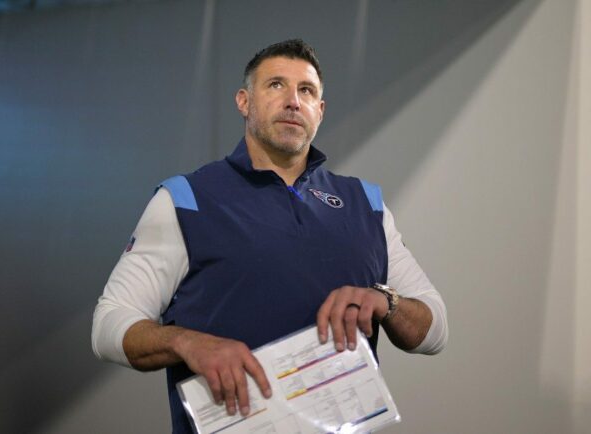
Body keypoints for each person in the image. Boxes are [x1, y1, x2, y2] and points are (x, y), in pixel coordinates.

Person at [92, 39, 448, 433]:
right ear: (244, 102)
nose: (293, 101)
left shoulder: (367, 205)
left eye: (306, 90)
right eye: (276, 85)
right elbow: (108, 325)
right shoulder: (185, 199)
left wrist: (385, 301)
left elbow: (434, 331)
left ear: (320, 111)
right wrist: (186, 343)